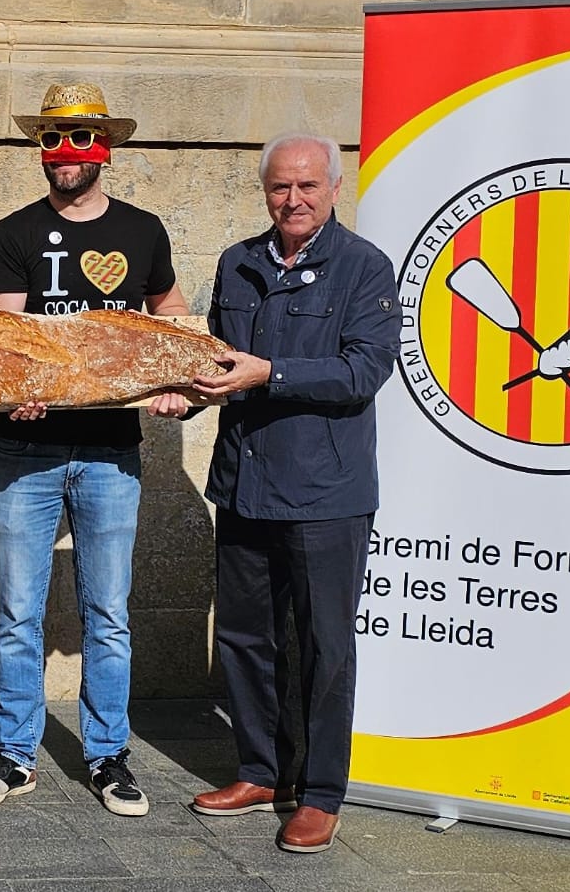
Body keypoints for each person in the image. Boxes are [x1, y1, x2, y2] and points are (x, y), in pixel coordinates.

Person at [0, 82, 190, 818]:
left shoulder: (145, 231)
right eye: (53, 137)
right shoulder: (14, 232)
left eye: (81, 138)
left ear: (106, 149)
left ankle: (107, 755)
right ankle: (17, 754)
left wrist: (175, 379)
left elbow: (173, 320)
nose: (65, 152)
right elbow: (5, 339)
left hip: (111, 452)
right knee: (19, 612)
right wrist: (13, 386)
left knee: (108, 612)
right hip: (25, 447)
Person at [188, 132, 399, 853]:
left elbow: (362, 372)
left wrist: (268, 373)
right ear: (264, 191)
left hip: (324, 494)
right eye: (281, 187)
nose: (294, 199)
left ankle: (319, 792)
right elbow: (215, 360)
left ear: (335, 189)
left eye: (308, 186)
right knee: (246, 637)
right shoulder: (237, 262)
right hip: (243, 484)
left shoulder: (363, 267)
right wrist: (180, 394)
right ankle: (260, 769)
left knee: (322, 646)